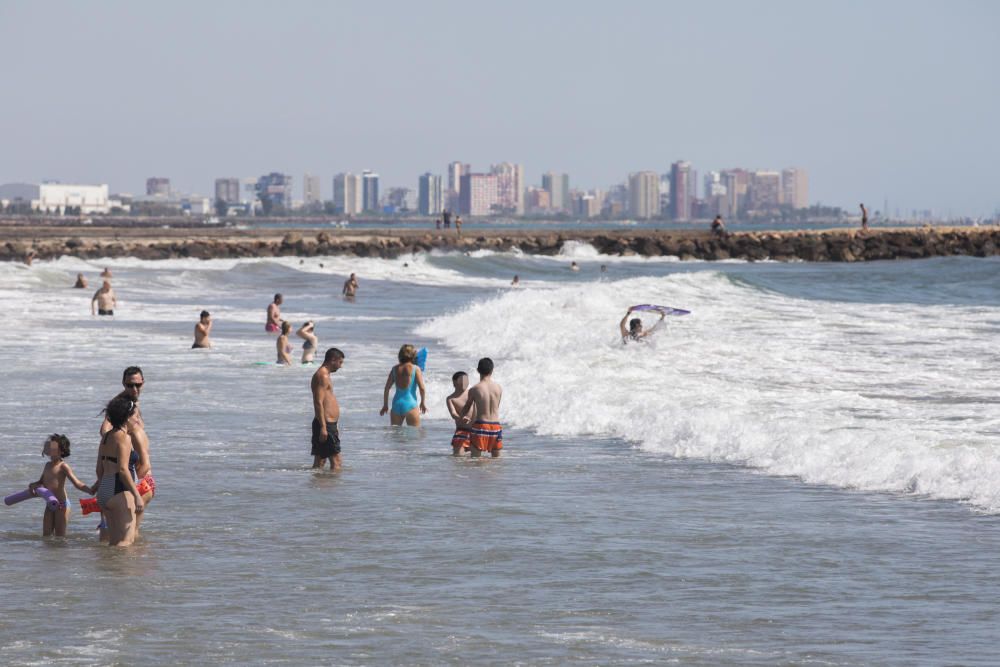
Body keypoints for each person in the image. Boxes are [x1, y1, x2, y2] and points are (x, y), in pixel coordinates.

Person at [100, 366, 154, 536]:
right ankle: (125, 561)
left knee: (125, 534)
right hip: (133, 480)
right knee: (127, 534)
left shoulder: (134, 404)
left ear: (143, 382)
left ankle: (124, 561)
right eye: (130, 385)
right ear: (123, 384)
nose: (134, 389)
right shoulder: (122, 405)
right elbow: (104, 430)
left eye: (138, 385)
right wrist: (121, 441)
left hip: (142, 480)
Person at [95, 396, 144, 547]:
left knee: (114, 543)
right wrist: (136, 495)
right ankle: (125, 571)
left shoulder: (106, 437)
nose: (137, 420)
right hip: (119, 490)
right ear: (126, 418)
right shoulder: (124, 437)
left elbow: (99, 469)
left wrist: (99, 488)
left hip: (104, 490)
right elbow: (123, 469)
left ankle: (111, 571)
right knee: (126, 542)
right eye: (135, 416)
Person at [27, 434, 93, 537]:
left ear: (61, 451)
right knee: (46, 536)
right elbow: (42, 482)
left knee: (60, 537)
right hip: (50, 503)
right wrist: (33, 485)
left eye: (54, 448)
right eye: (50, 447)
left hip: (62, 505)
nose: (50, 450)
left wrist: (90, 490)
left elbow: (77, 483)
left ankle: (62, 553)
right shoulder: (47, 465)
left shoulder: (63, 466)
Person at [459, 358, 503, 458]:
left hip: (481, 426)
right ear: (492, 370)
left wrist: (461, 417)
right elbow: (496, 406)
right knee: (496, 461)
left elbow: (466, 408)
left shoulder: (475, 389)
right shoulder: (498, 388)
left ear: (478, 370)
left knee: (475, 459)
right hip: (496, 426)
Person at [310, 348, 345, 470]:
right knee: (337, 463)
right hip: (325, 423)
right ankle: (333, 488)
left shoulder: (325, 374)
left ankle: (317, 486)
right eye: (340, 362)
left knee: (320, 462)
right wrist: (324, 427)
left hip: (327, 423)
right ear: (333, 360)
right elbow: (318, 402)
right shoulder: (322, 375)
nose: (341, 366)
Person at [380, 344, 427, 426]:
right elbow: (422, 388)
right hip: (410, 404)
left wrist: (385, 405)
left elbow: (387, 388)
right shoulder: (415, 369)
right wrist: (422, 403)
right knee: (414, 436)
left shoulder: (394, 369)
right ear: (413, 355)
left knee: (396, 436)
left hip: (396, 405)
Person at [446, 371, 472, 456]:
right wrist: (460, 418)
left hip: (475, 430)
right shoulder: (451, 398)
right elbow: (453, 414)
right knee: (458, 456)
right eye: (462, 381)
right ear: (454, 382)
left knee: (476, 459)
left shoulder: (472, 393)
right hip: (461, 431)